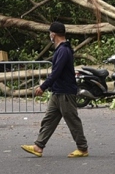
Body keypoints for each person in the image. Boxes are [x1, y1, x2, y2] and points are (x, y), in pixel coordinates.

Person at [21, 22, 89, 158]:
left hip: (65, 92)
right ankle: (38, 146)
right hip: (57, 91)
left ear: (54, 34)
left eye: (50, 33)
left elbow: (56, 72)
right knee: (49, 119)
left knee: (72, 120)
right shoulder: (60, 49)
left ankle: (82, 148)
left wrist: (43, 86)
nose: (49, 35)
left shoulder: (64, 50)